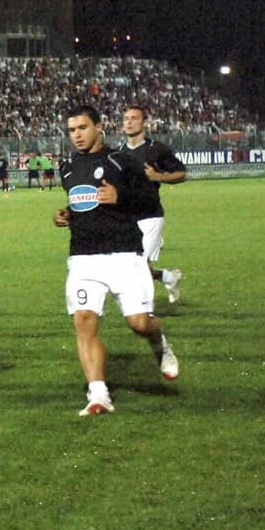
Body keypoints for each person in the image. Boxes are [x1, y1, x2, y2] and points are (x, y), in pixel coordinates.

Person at [55, 105, 180, 416]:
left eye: (82, 128)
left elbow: (149, 201)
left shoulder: (122, 161)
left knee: (139, 323)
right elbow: (83, 204)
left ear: (99, 127)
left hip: (124, 254)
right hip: (83, 257)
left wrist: (120, 197)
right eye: (72, 130)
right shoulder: (67, 168)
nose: (77, 135)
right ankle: (99, 395)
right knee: (84, 321)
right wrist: (66, 215)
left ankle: (159, 342)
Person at [119, 106, 187, 303]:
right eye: (126, 118)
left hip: (150, 216)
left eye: (134, 118)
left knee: (139, 266)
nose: (129, 122)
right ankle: (169, 277)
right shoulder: (120, 153)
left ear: (144, 123)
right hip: (127, 218)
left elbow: (181, 173)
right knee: (132, 266)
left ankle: (145, 310)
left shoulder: (157, 149)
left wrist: (158, 176)